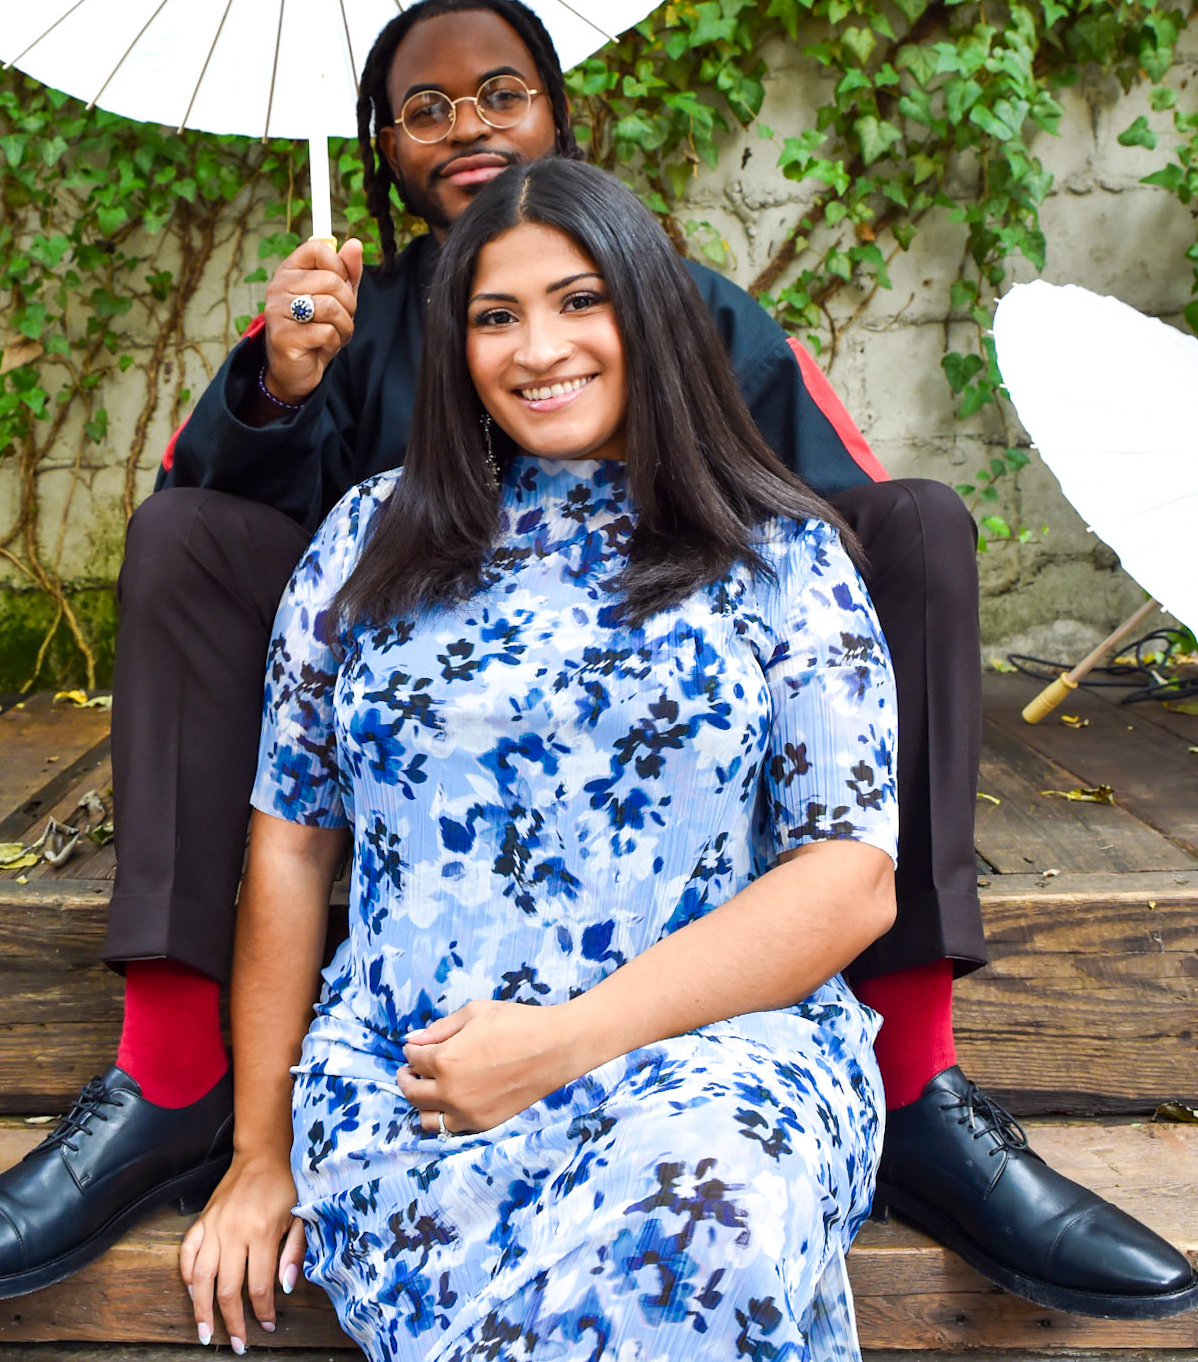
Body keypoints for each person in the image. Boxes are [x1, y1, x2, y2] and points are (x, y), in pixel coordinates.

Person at [0, 0, 1198, 1321]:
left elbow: (827, 502)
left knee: (914, 525)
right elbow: (230, 551)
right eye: (425, 108)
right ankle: (173, 1070)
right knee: (178, 535)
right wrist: (279, 385)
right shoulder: (337, 319)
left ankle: (910, 1070)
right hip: (379, 673)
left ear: (559, 116)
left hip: (670, 707)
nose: (466, 125)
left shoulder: (690, 312)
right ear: (382, 147)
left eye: (499, 93)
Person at [181, 156, 901, 1359]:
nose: (537, 348)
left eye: (579, 300)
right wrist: (259, 1152)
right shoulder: (365, 537)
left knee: (700, 1203)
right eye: (494, 316)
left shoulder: (777, 552)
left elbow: (849, 876)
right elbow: (291, 849)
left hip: (710, 1058)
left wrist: (564, 1042)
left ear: (650, 311)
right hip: (411, 1084)